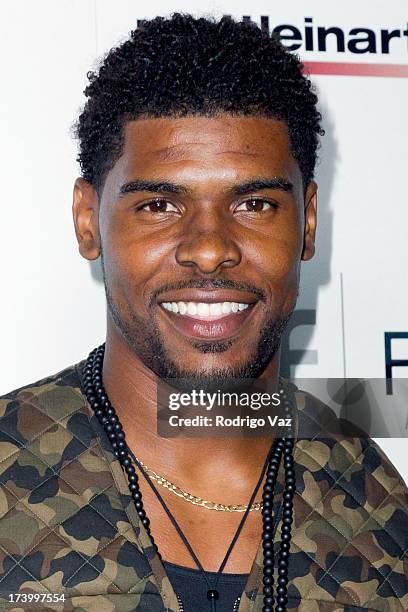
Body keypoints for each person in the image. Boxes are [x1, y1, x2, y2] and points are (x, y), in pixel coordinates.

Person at [0, 13, 407, 612]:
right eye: (160, 204)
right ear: (88, 221)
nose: (211, 249)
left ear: (308, 222)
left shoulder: (378, 505)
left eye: (256, 202)